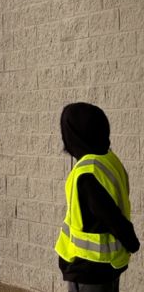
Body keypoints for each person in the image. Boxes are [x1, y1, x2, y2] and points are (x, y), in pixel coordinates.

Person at [55, 102, 139, 291]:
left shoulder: (88, 172)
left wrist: (132, 242)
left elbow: (110, 215)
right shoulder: (109, 160)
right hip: (103, 266)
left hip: (90, 269)